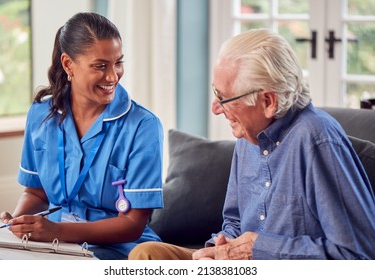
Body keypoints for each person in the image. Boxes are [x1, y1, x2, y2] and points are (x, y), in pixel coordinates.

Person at [128, 28, 375, 260]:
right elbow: (234, 222)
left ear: (268, 101)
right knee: (147, 254)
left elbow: (358, 253)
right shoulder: (249, 134)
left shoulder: (317, 140)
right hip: (240, 268)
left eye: (224, 98)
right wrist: (221, 247)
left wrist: (259, 250)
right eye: (216, 93)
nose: (216, 108)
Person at [0, 12, 164, 260]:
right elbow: (36, 193)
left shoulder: (143, 126)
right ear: (68, 65)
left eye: (118, 63)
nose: (113, 76)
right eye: (100, 66)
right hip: (54, 246)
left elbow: (132, 224)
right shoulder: (40, 116)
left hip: (118, 249)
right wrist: (18, 224)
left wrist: (57, 231)